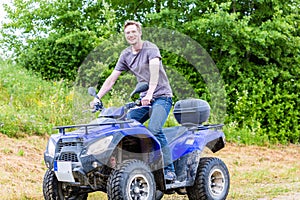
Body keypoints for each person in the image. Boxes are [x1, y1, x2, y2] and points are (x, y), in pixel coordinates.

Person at [93, 20, 176, 181]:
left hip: (161, 97)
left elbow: (154, 73)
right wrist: (97, 97)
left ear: (140, 33)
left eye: (133, 32)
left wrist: (150, 93)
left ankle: (169, 169)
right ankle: (130, 166)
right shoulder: (126, 54)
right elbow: (112, 78)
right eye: (127, 33)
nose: (131, 35)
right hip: (143, 100)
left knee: (154, 129)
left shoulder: (150, 49)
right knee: (123, 127)